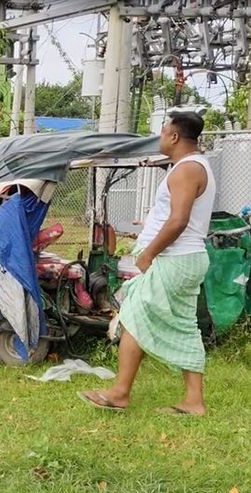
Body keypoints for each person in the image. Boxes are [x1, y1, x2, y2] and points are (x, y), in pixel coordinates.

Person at [79, 112, 215, 415]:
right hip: (187, 258)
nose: (161, 136)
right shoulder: (195, 166)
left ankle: (119, 393)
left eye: (163, 131)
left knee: (133, 317)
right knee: (184, 325)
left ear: (175, 136)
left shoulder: (186, 170)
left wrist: (149, 252)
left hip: (174, 259)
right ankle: (193, 402)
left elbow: (178, 220)